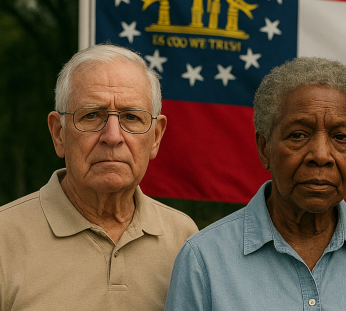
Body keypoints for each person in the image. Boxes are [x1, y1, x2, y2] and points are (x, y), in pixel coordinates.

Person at [165, 57, 346, 311]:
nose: (321, 155)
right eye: (298, 135)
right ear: (265, 148)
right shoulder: (204, 259)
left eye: (340, 137)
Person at [0, 44, 198, 311]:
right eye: (91, 115)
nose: (113, 136)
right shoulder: (5, 239)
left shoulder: (184, 238)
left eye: (131, 117)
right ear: (58, 133)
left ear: (156, 136)